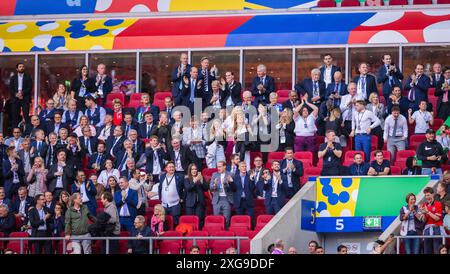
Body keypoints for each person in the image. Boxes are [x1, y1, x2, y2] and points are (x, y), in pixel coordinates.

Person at [210, 160, 236, 228]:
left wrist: (227, 183)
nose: (218, 168)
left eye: (220, 167)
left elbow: (233, 189)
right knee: (217, 219)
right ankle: (217, 234)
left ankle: (226, 234)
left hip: (227, 199)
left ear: (224, 166)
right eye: (217, 167)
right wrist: (215, 185)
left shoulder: (231, 174)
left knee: (226, 219)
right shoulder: (214, 175)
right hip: (217, 200)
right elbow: (211, 188)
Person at [158, 162, 184, 227]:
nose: (172, 168)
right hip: (164, 204)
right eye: (170, 167)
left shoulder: (179, 176)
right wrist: (160, 198)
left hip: (175, 204)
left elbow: (184, 188)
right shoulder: (162, 176)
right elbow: (160, 187)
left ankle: (175, 235)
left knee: (176, 223)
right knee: (164, 223)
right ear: (166, 168)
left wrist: (182, 198)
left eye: (173, 167)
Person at [421, 187, 445, 254]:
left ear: (432, 194)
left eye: (428, 195)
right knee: (427, 251)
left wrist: (428, 212)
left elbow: (437, 218)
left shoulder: (438, 204)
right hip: (427, 229)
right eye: (425, 195)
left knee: (437, 250)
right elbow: (424, 220)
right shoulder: (424, 205)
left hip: (437, 228)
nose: (427, 197)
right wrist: (423, 214)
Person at [184, 164, 209, 228]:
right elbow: (188, 188)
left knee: (200, 220)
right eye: (192, 169)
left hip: (200, 203)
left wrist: (202, 181)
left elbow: (206, 188)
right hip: (190, 203)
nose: (194, 170)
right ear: (190, 170)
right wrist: (194, 181)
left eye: (195, 169)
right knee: (190, 221)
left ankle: (199, 235)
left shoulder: (201, 177)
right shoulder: (187, 179)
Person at [9, 62, 32, 129]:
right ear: (17, 69)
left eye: (23, 66)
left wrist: (22, 93)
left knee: (26, 116)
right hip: (15, 99)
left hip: (25, 98)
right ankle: (14, 133)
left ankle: (28, 132)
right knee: (15, 117)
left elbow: (30, 87)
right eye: (20, 66)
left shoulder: (28, 76)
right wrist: (16, 94)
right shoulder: (13, 77)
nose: (22, 68)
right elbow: (11, 88)